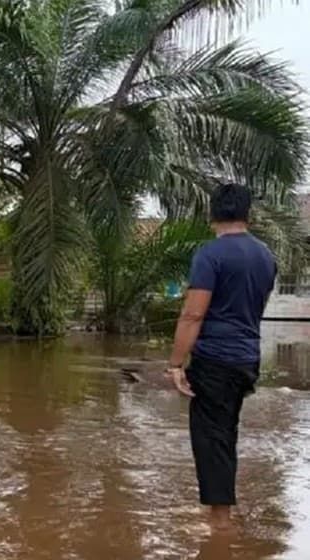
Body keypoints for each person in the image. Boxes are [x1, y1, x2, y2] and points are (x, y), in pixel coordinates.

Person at [166, 183, 277, 530]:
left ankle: (220, 524)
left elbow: (193, 314)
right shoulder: (265, 256)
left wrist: (175, 364)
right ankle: (221, 512)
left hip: (215, 360)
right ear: (248, 214)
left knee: (211, 438)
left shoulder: (210, 254)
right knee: (225, 433)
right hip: (247, 359)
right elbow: (254, 306)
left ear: (212, 213)